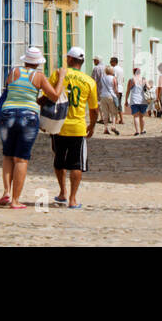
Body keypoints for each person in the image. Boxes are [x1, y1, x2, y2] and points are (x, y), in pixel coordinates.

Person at [0, 46, 64, 209]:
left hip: (7, 113)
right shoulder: (39, 76)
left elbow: (11, 90)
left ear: (25, 60)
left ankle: (6, 193)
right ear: (38, 63)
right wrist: (61, 77)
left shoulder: (13, 72)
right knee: (21, 159)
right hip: (28, 116)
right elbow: (54, 96)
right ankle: (15, 200)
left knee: (7, 155)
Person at [51, 47, 98, 208]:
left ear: (70, 59)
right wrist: (92, 125)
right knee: (76, 164)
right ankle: (72, 199)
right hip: (78, 127)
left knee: (59, 160)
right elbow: (93, 109)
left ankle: (62, 192)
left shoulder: (58, 74)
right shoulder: (89, 82)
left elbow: (48, 96)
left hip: (58, 125)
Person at [91, 56, 120, 135]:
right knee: (113, 112)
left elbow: (93, 79)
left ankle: (106, 128)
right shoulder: (113, 78)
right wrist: (117, 95)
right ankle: (113, 126)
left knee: (105, 113)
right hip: (111, 96)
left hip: (102, 95)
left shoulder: (102, 77)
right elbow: (115, 89)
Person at [127, 67, 149, 135]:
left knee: (136, 116)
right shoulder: (144, 79)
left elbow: (128, 91)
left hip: (134, 100)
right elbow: (148, 87)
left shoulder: (131, 80)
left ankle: (137, 131)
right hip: (143, 100)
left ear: (134, 72)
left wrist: (126, 100)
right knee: (142, 116)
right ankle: (142, 131)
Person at [108, 56, 125, 125]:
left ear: (114, 62)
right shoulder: (121, 69)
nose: (110, 62)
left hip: (116, 88)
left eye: (111, 61)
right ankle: (121, 119)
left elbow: (114, 79)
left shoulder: (114, 69)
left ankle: (117, 119)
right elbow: (123, 79)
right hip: (120, 88)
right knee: (119, 104)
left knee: (114, 105)